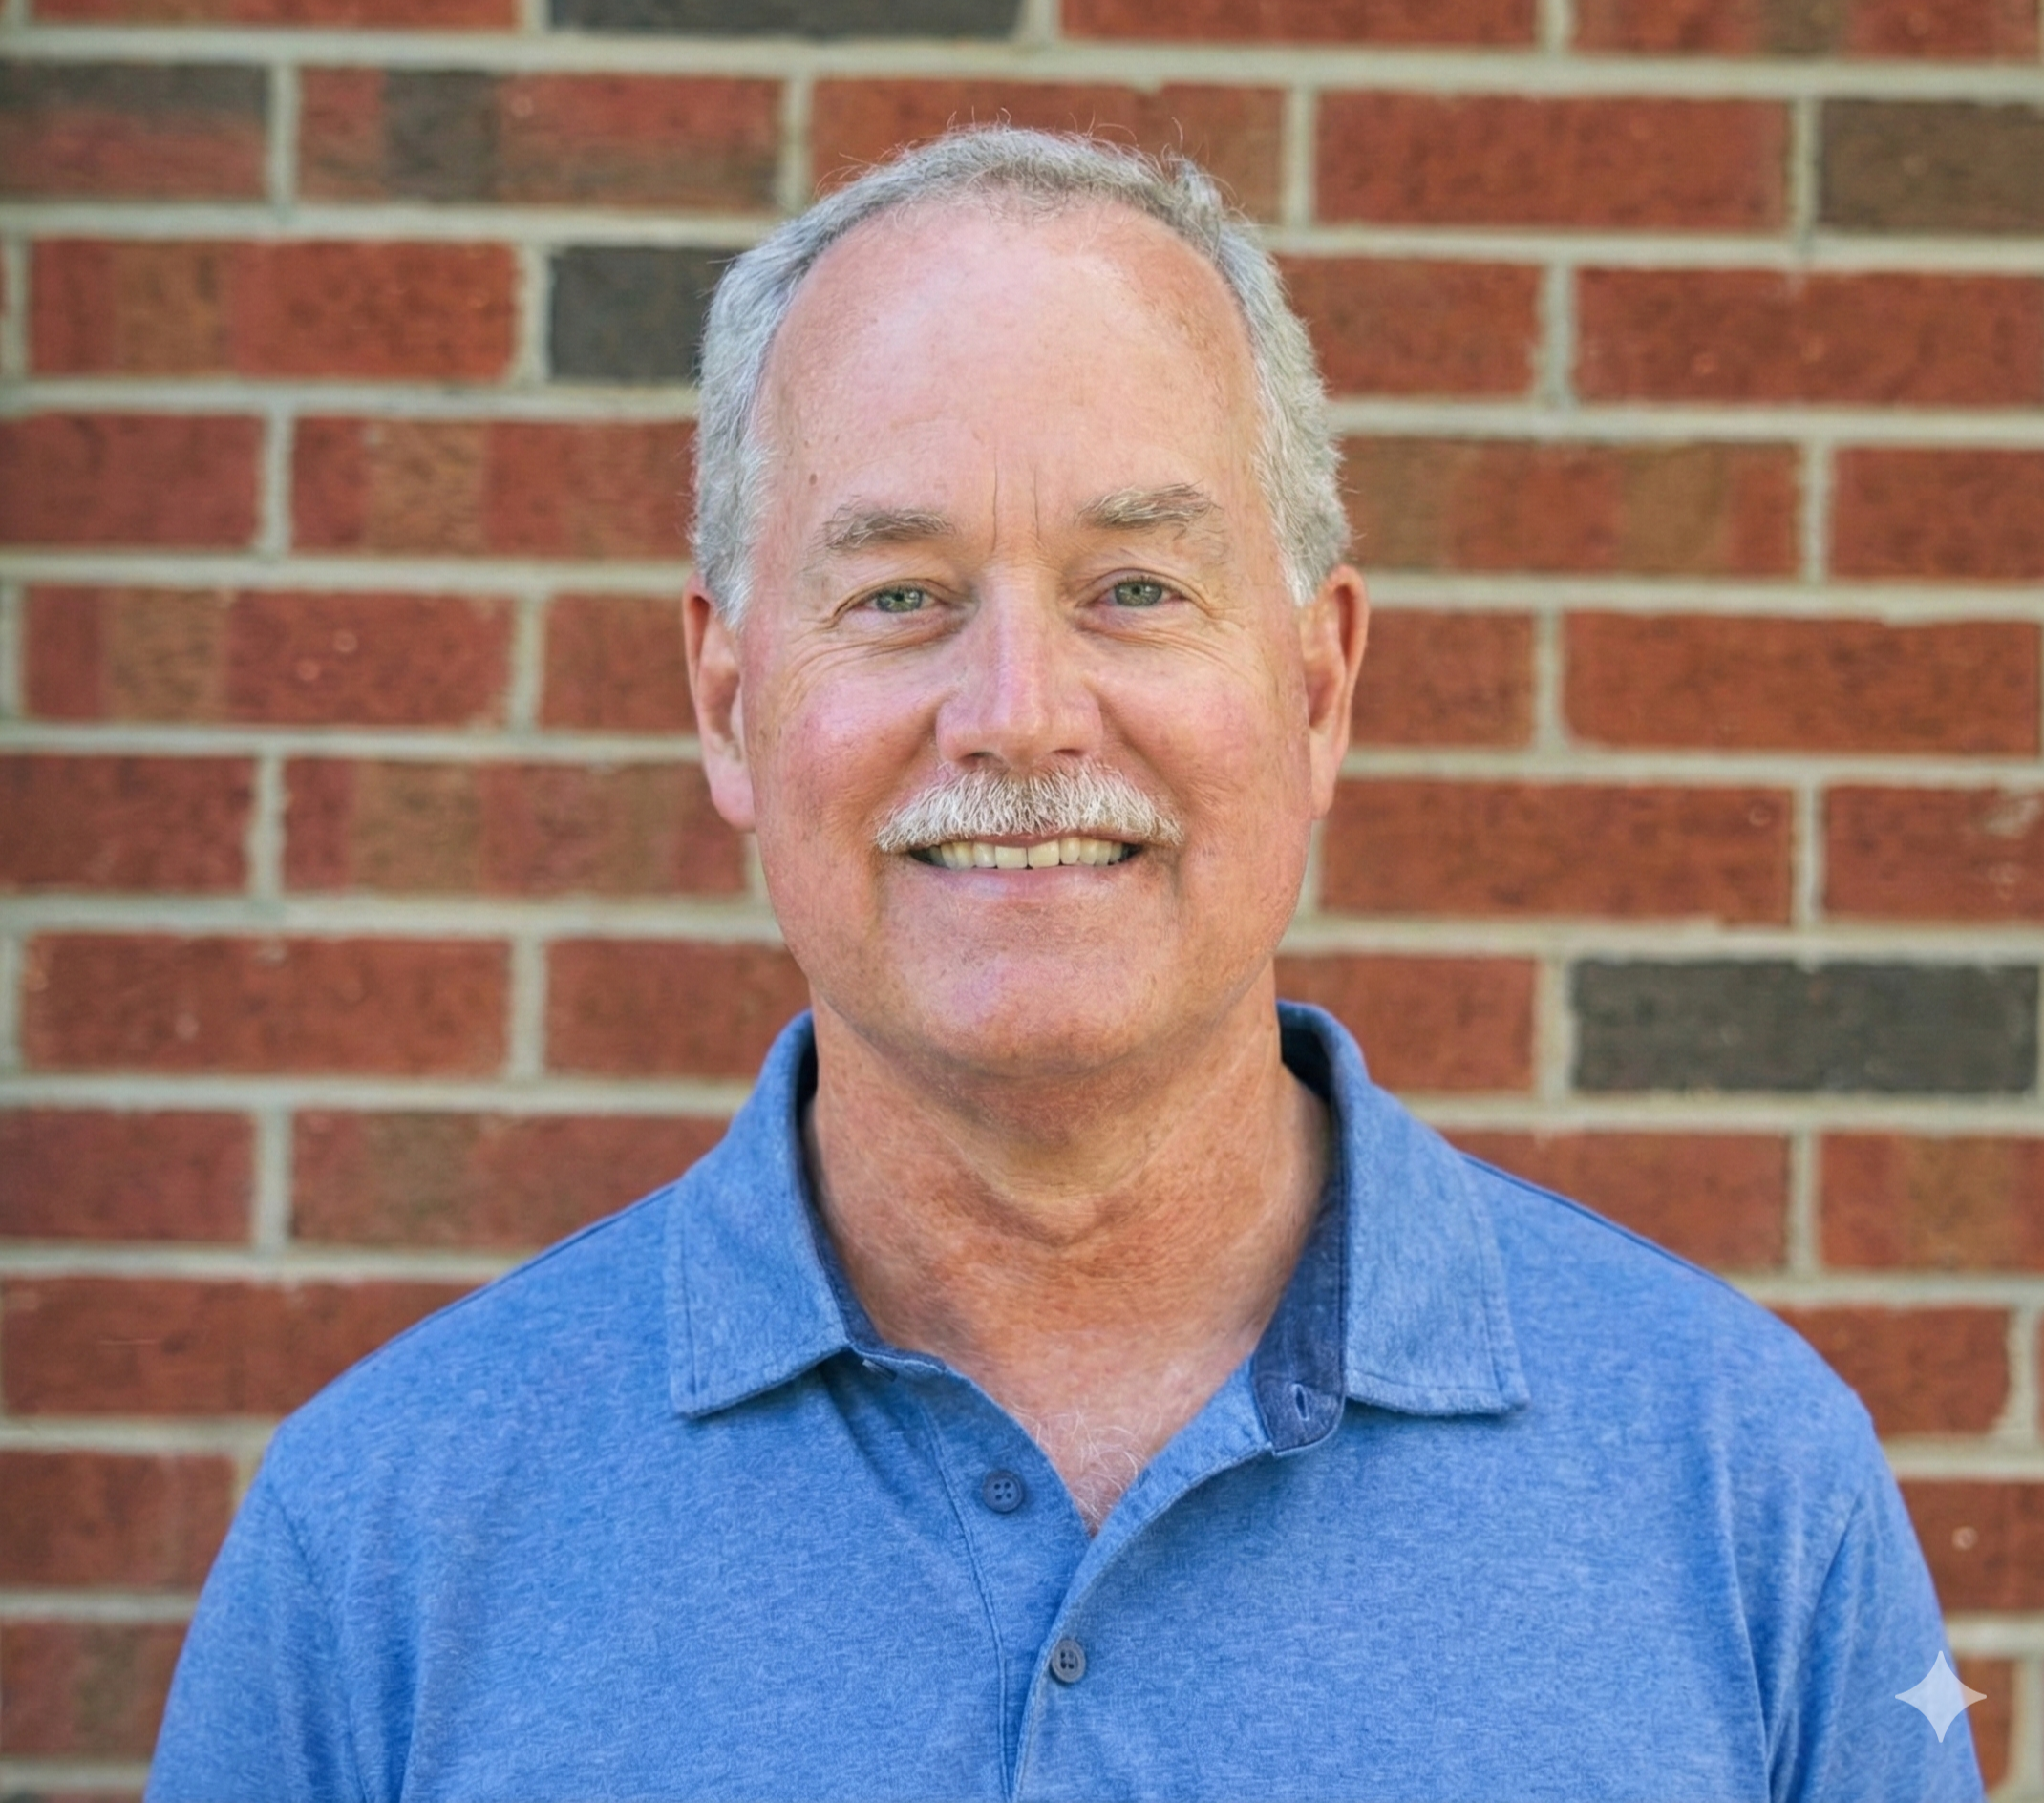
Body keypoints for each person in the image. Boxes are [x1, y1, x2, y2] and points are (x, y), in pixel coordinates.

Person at [148, 128, 1983, 1802]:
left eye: (1135, 589)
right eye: (898, 597)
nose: (1017, 717)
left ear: (1319, 689)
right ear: (729, 703)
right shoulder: (383, 1538)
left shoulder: (1740, 1485)